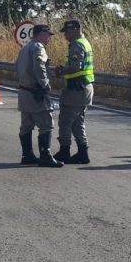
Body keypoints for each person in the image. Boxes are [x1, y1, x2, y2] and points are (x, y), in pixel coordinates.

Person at [15, 24, 63, 167]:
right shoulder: (38, 47)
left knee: (26, 125)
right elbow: (39, 67)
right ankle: (45, 156)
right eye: (48, 34)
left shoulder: (24, 48)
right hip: (35, 92)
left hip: (24, 91)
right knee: (46, 124)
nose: (49, 38)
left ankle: (27, 154)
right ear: (41, 33)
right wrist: (45, 83)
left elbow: (17, 67)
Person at [54, 19, 94, 164]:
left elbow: (76, 67)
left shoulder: (77, 45)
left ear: (76, 29)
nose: (65, 35)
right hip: (84, 87)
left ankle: (65, 151)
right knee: (78, 122)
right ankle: (83, 153)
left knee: (65, 121)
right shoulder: (85, 42)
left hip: (76, 89)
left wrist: (61, 71)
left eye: (68, 31)